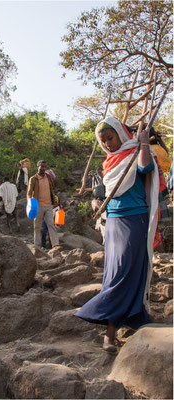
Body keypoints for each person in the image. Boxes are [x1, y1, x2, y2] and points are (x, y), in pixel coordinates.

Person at [74, 116, 161, 353]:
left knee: (133, 268)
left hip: (135, 219)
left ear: (121, 134)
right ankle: (112, 330)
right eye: (103, 141)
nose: (108, 145)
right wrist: (96, 201)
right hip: (113, 220)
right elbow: (107, 192)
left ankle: (124, 322)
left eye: (110, 138)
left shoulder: (136, 151)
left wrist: (143, 142)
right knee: (115, 270)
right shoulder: (110, 163)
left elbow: (145, 168)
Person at [27, 160, 61, 250]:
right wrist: (30, 203)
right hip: (38, 206)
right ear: (37, 166)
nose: (43, 168)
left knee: (51, 224)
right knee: (37, 226)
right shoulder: (33, 179)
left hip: (49, 205)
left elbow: (52, 190)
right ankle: (37, 246)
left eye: (45, 167)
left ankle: (55, 244)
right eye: (41, 166)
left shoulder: (48, 177)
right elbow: (29, 193)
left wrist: (56, 202)